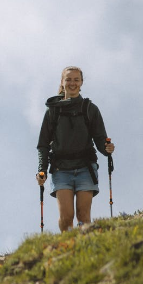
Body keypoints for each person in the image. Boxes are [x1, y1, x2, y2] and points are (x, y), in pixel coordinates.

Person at [36, 66, 115, 232]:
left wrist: (106, 148)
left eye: (76, 80)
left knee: (83, 215)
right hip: (60, 169)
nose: (72, 83)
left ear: (81, 83)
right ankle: (68, 248)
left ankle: (84, 250)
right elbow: (43, 144)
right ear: (62, 82)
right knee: (66, 217)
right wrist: (41, 170)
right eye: (68, 79)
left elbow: (100, 138)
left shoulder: (89, 109)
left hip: (85, 168)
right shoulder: (53, 110)